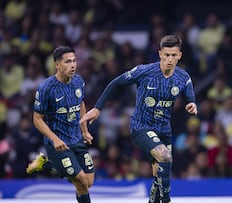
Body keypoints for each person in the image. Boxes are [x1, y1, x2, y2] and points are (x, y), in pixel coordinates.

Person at [80, 35, 197, 203]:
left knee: (161, 173)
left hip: (164, 130)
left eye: (173, 55)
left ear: (180, 55)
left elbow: (189, 96)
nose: (170, 59)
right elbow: (116, 83)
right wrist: (97, 108)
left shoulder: (183, 77)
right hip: (141, 126)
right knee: (164, 157)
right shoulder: (144, 71)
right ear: (160, 54)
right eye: (166, 55)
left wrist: (191, 105)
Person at [26, 46, 95, 203]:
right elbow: (37, 119)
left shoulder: (78, 81)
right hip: (57, 143)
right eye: (67, 62)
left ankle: (48, 164)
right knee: (82, 181)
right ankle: (52, 161)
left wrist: (84, 130)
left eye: (74, 61)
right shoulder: (46, 88)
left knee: (88, 182)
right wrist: (54, 139)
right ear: (57, 64)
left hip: (76, 139)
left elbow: (81, 104)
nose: (73, 65)